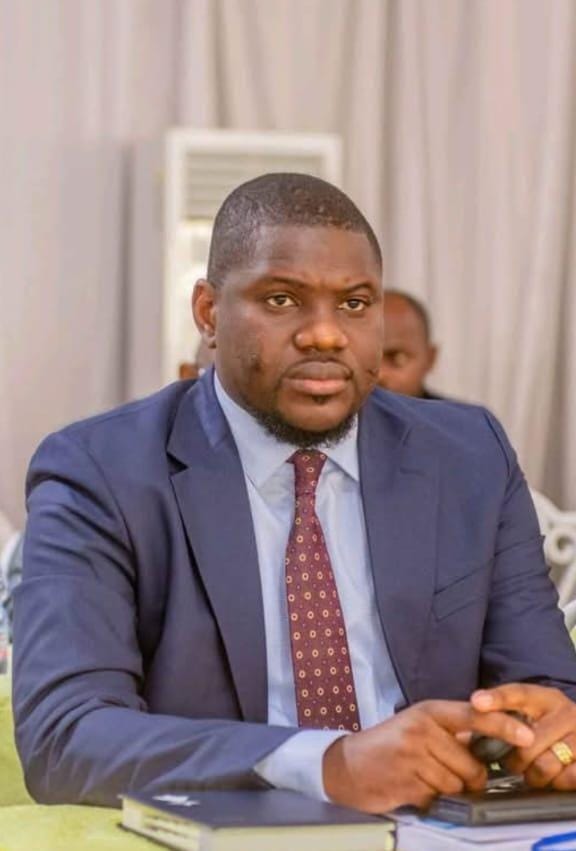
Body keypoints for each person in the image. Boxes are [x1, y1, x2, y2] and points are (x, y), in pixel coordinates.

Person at [13, 173, 576, 814]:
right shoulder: (101, 472)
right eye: (282, 300)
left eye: (355, 304)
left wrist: (552, 731)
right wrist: (327, 764)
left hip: (442, 827)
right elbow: (65, 739)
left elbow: (548, 686)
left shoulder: (467, 455)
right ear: (208, 313)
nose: (326, 335)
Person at [377, 289, 441, 398]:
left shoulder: (458, 411)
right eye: (363, 361)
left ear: (430, 359)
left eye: (397, 358)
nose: (379, 375)